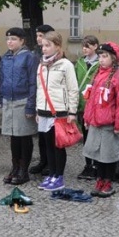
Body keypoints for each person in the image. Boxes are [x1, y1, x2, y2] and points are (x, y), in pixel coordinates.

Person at [83, 42, 119, 198]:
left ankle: (108, 181)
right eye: (100, 56)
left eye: (105, 56)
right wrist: (87, 118)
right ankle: (99, 179)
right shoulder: (97, 73)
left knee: (107, 155)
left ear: (114, 58)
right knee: (96, 154)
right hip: (95, 122)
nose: (101, 59)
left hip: (109, 124)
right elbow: (91, 99)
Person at [35, 31, 79, 191]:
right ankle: (51, 174)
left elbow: (73, 89)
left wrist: (72, 112)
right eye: (43, 46)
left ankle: (59, 176)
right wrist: (37, 110)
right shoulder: (41, 65)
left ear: (58, 46)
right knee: (47, 146)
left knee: (58, 146)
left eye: (48, 45)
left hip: (59, 112)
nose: (44, 49)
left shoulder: (65, 65)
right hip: (44, 112)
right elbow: (39, 89)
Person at [0, 27, 38, 185]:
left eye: (14, 39)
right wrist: (1, 97)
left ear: (22, 41)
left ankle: (24, 169)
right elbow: (2, 79)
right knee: (13, 137)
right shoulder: (5, 58)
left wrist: (30, 105)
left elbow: (33, 83)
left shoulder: (29, 57)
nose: (10, 42)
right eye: (8, 39)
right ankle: (15, 167)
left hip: (22, 101)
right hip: (9, 101)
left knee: (24, 136)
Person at [30, 23, 55, 176]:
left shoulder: (57, 58)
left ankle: (51, 164)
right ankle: (43, 161)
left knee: (51, 137)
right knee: (42, 136)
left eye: (41, 36)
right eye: (37, 36)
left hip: (52, 102)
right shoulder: (36, 53)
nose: (38, 39)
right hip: (40, 98)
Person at [75, 34, 100, 180]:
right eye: (83, 46)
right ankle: (88, 164)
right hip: (82, 105)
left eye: (88, 46)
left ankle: (97, 164)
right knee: (85, 136)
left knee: (94, 137)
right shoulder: (79, 63)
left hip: (95, 106)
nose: (85, 49)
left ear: (95, 46)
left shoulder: (100, 63)